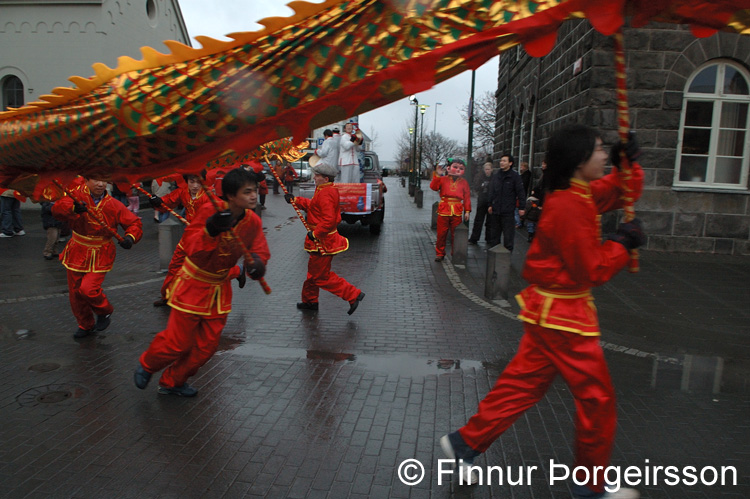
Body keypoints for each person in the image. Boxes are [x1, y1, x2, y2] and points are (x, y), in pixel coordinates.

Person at [440, 124, 645, 499]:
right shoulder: (570, 205)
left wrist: (626, 164)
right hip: (567, 318)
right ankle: (591, 488)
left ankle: (467, 443)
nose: (603, 156)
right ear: (580, 160)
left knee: (521, 387)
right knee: (597, 399)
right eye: (599, 150)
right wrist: (621, 243)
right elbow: (592, 269)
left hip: (550, 314)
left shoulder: (577, 193)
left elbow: (623, 191)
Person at [134, 168, 269, 397]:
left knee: (206, 348)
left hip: (219, 290)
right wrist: (211, 229)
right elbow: (192, 247)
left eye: (254, 191)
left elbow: (259, 248)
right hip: (193, 284)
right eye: (247, 192)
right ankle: (148, 364)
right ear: (230, 195)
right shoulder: (210, 210)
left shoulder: (252, 221)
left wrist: (257, 263)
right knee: (177, 343)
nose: (254, 196)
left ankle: (172, 381)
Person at [52, 176, 143, 339]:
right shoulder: (76, 196)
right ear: (86, 181)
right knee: (76, 293)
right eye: (95, 179)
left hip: (101, 251)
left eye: (104, 180)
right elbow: (58, 209)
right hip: (77, 250)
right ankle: (85, 324)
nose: (100, 184)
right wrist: (73, 208)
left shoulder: (114, 204)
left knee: (88, 289)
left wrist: (130, 237)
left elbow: (134, 223)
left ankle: (104, 310)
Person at [285, 160, 365, 314]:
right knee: (313, 273)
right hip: (321, 239)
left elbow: (328, 220)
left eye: (317, 175)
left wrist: (315, 233)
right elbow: (313, 207)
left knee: (320, 277)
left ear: (326, 178)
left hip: (322, 241)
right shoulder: (324, 190)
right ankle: (310, 301)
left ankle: (353, 295)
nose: (314, 178)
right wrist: (296, 201)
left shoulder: (326, 193)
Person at [150, 173, 212, 307]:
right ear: (187, 182)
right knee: (175, 266)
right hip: (187, 237)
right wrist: (158, 201)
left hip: (203, 238)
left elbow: (217, 214)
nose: (195, 185)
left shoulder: (208, 197)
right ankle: (168, 295)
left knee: (204, 269)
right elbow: (168, 201)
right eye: (192, 182)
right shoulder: (183, 192)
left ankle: (237, 271)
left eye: (198, 182)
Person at [430, 158, 471, 262]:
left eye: (461, 168)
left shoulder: (464, 183)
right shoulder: (443, 179)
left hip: (457, 210)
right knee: (441, 233)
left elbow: (467, 197)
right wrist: (437, 175)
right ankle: (439, 253)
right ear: (448, 168)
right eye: (455, 167)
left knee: (455, 233)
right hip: (444, 208)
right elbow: (434, 187)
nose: (458, 170)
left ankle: (455, 252)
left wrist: (467, 211)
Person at [487, 154, 525, 252]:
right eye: (501, 160)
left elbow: (520, 192)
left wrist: (522, 207)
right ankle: (494, 256)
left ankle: (507, 256)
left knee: (508, 236)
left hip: (508, 211)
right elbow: (491, 191)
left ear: (510, 163)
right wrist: (490, 204)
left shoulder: (515, 177)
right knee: (494, 236)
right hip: (496, 210)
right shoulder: (496, 176)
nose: (501, 162)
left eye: (504, 161)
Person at [468, 162, 493, 245]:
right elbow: (476, 187)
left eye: (488, 169)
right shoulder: (480, 177)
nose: (487, 171)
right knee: (478, 220)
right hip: (482, 200)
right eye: (486, 169)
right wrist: (482, 186)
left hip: (491, 201)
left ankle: (489, 238)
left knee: (490, 222)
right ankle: (474, 238)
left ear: (491, 170)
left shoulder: (494, 178)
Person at [525, 160, 547, 242]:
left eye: (544, 164)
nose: (542, 165)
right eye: (542, 164)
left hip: (540, 200)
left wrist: (540, 203)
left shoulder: (546, 176)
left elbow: (543, 190)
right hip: (539, 199)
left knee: (533, 217)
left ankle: (533, 234)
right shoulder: (544, 175)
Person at [516, 161, 532, 227]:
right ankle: (519, 221)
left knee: (518, 208)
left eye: (522, 166)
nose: (520, 168)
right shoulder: (524, 175)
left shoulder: (526, 175)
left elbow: (523, 184)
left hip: (522, 193)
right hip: (522, 193)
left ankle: (519, 222)